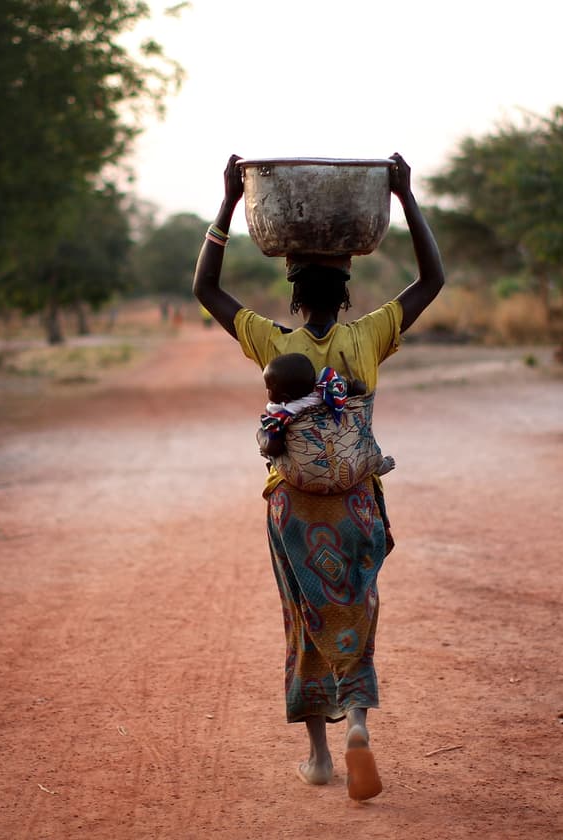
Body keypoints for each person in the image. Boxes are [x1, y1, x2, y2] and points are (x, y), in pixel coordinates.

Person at [193, 152, 445, 801]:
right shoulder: (370, 337)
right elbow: (432, 280)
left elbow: (207, 291)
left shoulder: (275, 343)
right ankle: (358, 719)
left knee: (303, 617)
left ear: (296, 296)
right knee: (356, 612)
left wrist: (226, 202)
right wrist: (406, 198)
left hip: (295, 510)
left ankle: (319, 757)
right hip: (357, 502)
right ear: (347, 294)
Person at [257, 352, 395, 489]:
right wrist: (355, 387)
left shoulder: (281, 415)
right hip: (349, 466)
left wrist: (261, 436)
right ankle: (374, 465)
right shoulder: (326, 390)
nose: (267, 391)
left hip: (307, 479)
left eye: (268, 389)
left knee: (268, 445)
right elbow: (355, 389)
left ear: (285, 397)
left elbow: (274, 448)